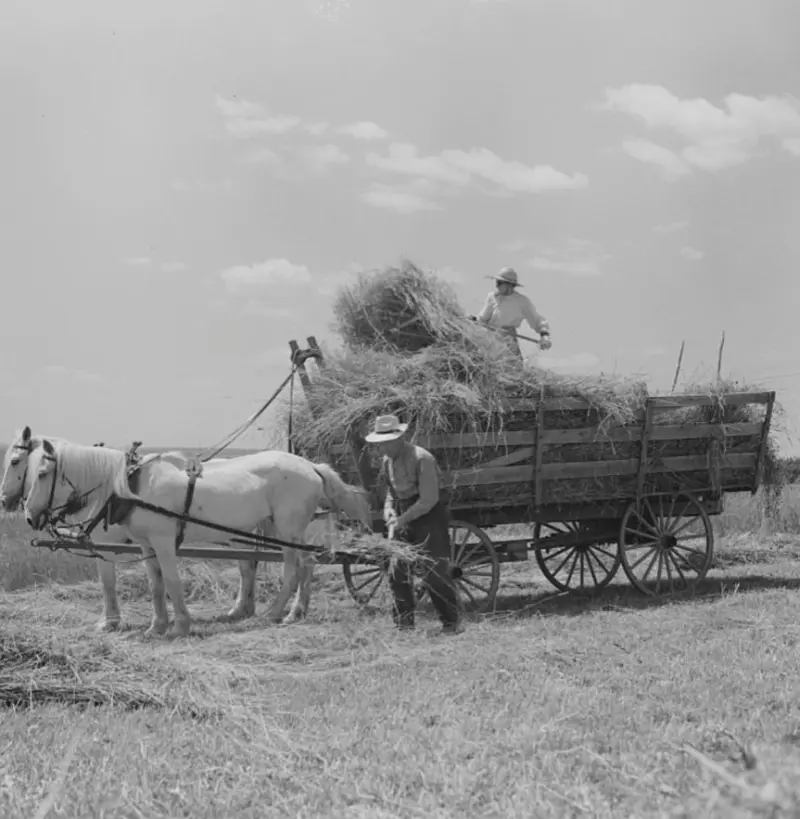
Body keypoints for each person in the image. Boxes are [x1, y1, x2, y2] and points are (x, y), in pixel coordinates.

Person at [364, 414, 462, 635]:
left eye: (386, 443)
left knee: (434, 571)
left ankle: (451, 623)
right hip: (402, 514)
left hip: (429, 518)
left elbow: (428, 500)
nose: (382, 448)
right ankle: (404, 626)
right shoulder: (387, 461)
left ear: (400, 438)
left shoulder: (422, 458)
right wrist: (389, 508)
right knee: (397, 571)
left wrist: (401, 520)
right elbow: (391, 490)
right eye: (379, 444)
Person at [469, 267, 552, 359]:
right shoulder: (492, 297)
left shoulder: (522, 301)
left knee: (513, 368)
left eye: (499, 283)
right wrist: (474, 320)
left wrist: (544, 336)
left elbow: (538, 320)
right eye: (497, 282)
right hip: (489, 340)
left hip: (508, 342)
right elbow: (482, 320)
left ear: (510, 285)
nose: (496, 285)